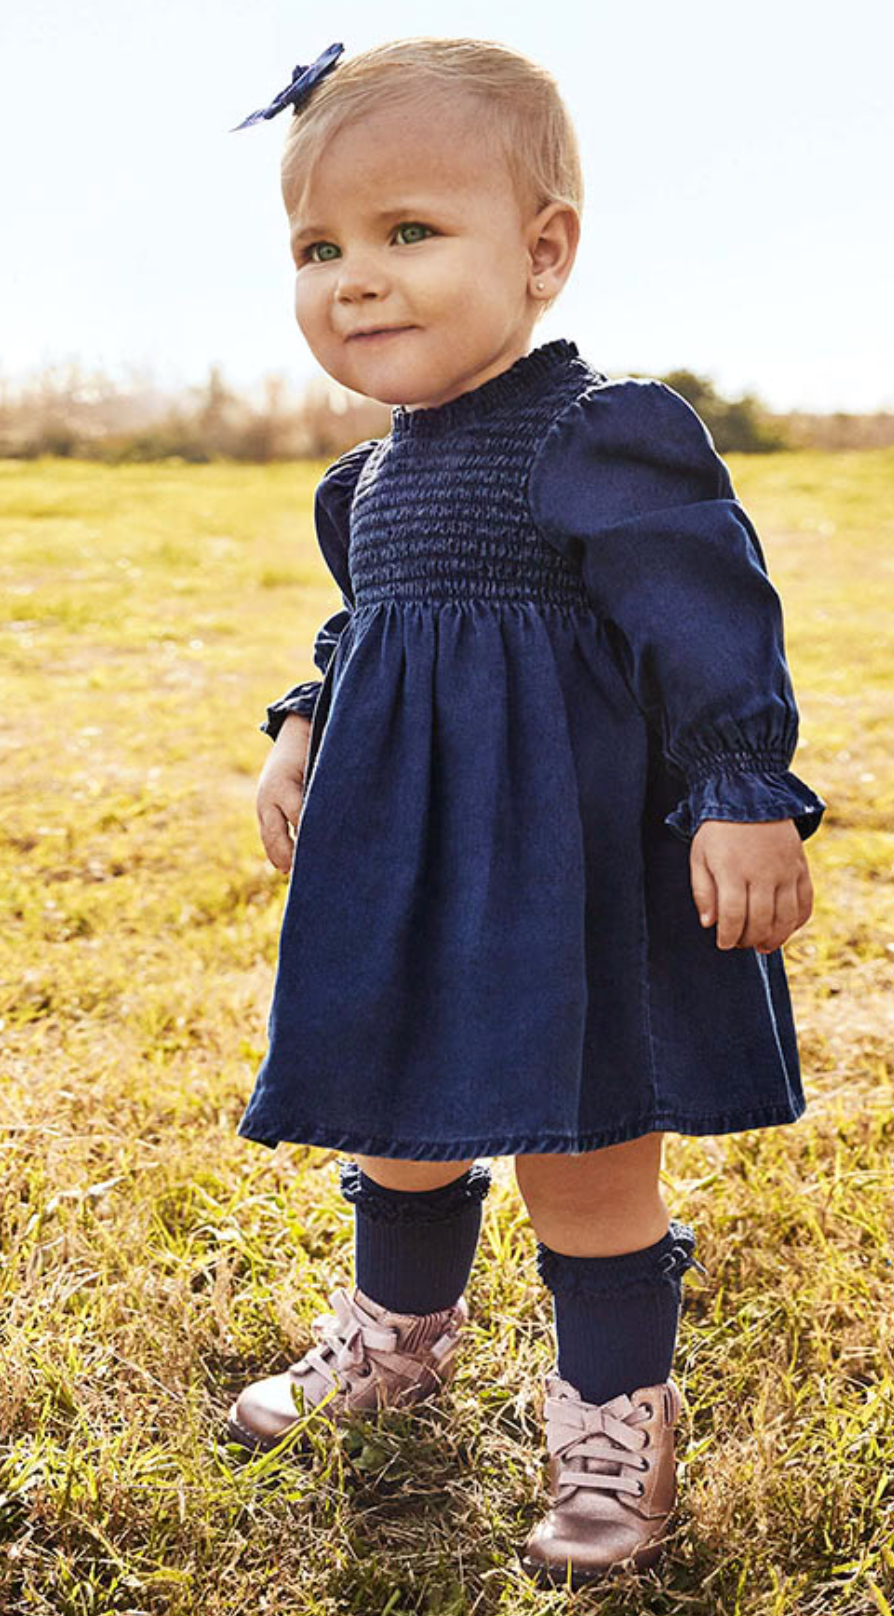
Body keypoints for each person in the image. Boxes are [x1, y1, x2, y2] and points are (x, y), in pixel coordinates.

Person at [225, 37, 827, 1587]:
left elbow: (706, 621)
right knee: (398, 1123)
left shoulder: (597, 430)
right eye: (317, 248)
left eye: (407, 231)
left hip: (567, 877)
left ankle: (613, 1425)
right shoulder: (365, 481)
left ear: (543, 251)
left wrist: (740, 791)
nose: (355, 277)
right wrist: (302, 725)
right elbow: (368, 633)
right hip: (411, 873)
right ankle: (394, 1341)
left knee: (586, 1160)